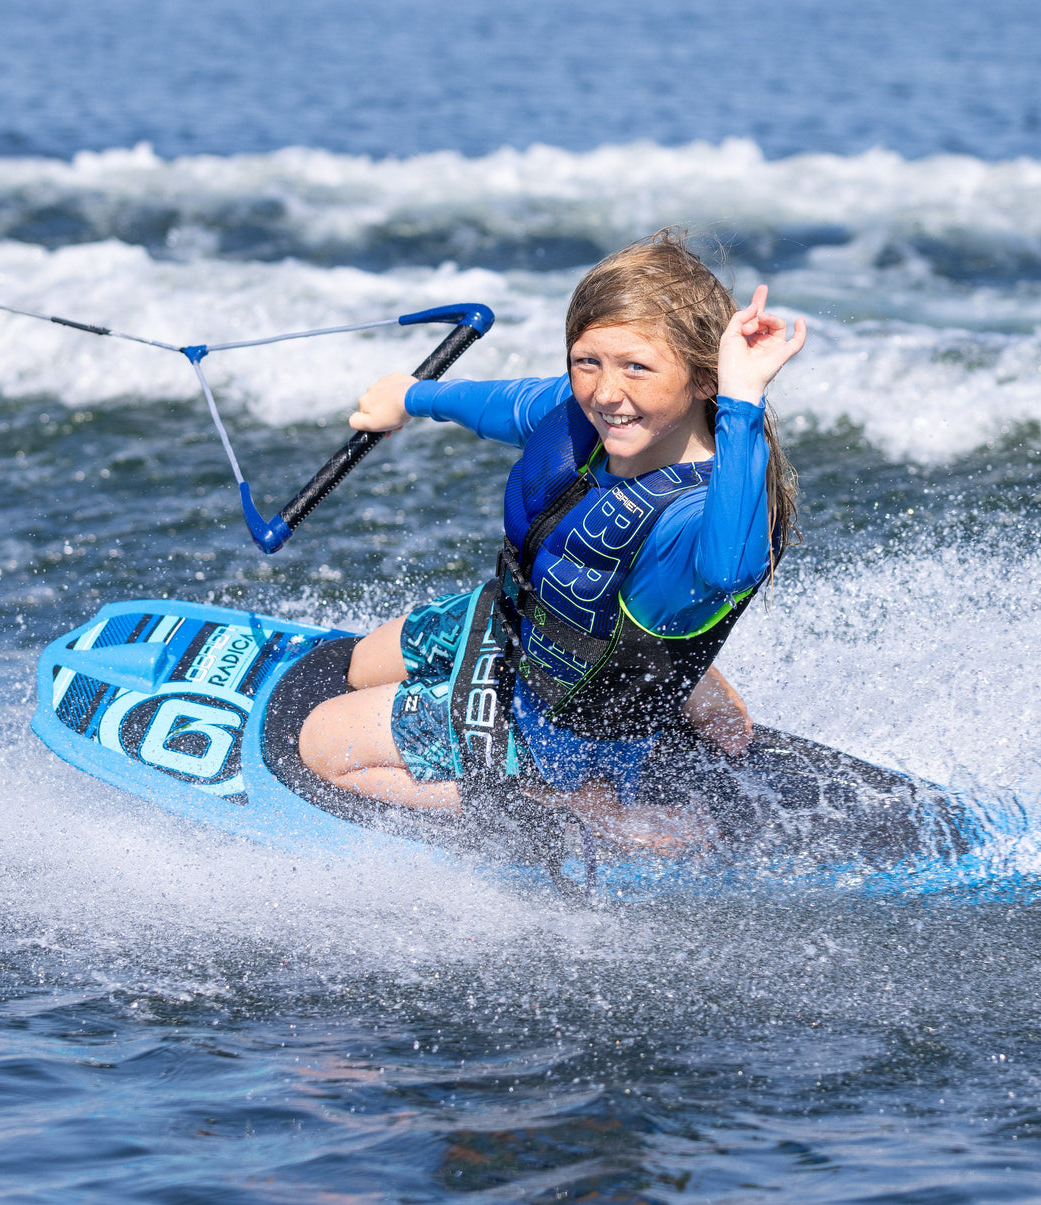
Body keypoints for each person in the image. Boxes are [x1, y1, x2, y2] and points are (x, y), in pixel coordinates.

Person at [298, 231, 805, 850]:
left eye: (637, 368)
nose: (606, 392)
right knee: (360, 664)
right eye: (587, 361)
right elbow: (510, 405)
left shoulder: (696, 516)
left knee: (324, 745)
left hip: (570, 722)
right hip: (520, 623)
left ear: (705, 379)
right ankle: (687, 676)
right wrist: (410, 396)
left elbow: (729, 566)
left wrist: (744, 397)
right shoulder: (589, 416)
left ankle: (575, 802)